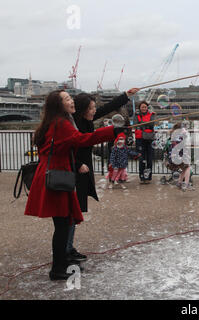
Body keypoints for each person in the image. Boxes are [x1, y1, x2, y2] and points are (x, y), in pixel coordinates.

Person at [24, 90, 124, 281]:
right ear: (59, 105)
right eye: (67, 99)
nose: (72, 101)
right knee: (62, 225)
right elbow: (81, 140)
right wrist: (111, 132)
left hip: (55, 172)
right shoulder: (61, 123)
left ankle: (62, 262)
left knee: (63, 222)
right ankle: (58, 269)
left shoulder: (55, 121)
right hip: (58, 176)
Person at [68, 88, 139, 264]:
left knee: (73, 212)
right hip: (74, 170)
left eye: (94, 107)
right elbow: (67, 148)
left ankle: (68, 248)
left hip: (82, 170)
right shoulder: (72, 125)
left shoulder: (85, 118)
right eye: (91, 108)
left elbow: (108, 108)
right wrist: (77, 164)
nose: (94, 110)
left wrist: (126, 95)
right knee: (69, 212)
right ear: (83, 108)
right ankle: (65, 250)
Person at [165, 123, 195, 192]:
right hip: (177, 158)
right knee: (187, 167)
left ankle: (179, 183)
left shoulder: (173, 136)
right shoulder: (179, 137)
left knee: (184, 168)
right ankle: (186, 184)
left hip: (172, 158)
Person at [133, 101, 156, 184]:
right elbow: (135, 125)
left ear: (147, 108)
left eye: (145, 107)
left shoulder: (152, 114)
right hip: (140, 139)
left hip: (149, 139)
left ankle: (148, 177)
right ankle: (142, 177)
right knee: (141, 159)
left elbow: (152, 124)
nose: (144, 108)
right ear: (139, 108)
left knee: (149, 159)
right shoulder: (136, 115)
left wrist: (141, 124)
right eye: (142, 107)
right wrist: (146, 125)